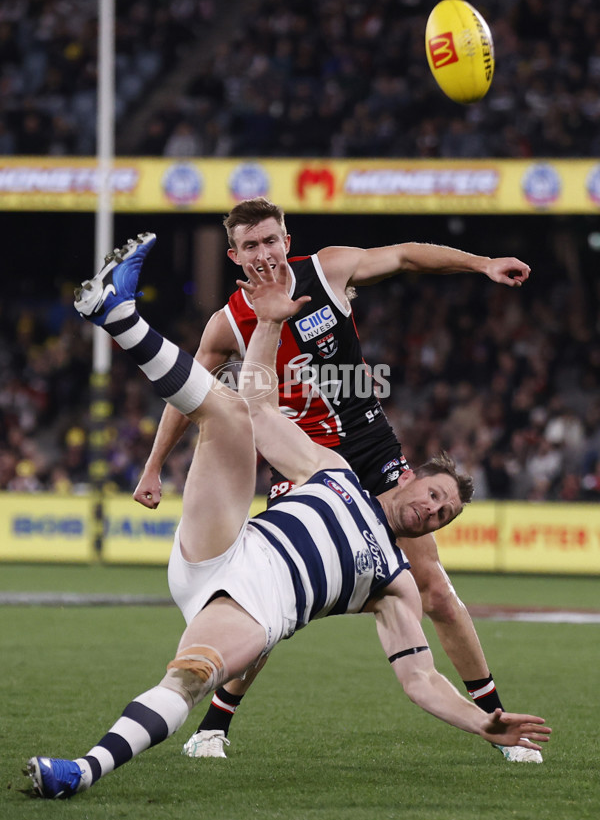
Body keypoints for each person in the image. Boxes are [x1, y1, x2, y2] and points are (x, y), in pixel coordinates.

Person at [27, 234, 550, 799]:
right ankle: (118, 314)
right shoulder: (330, 469)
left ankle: (81, 771)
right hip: (221, 549)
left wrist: (483, 722)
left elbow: (420, 680)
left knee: (189, 677)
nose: (433, 511)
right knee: (229, 415)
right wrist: (271, 323)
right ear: (410, 477)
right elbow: (255, 406)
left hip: (249, 607)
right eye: (435, 495)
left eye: (444, 515)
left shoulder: (394, 584)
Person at [133, 198, 538, 764]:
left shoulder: (327, 269)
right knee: (267, 599)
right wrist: (153, 466)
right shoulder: (227, 322)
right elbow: (189, 392)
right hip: (301, 458)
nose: (264, 253)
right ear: (234, 256)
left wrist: (481, 263)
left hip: (370, 448)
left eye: (271, 240)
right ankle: (216, 724)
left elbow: (404, 257)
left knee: (435, 590)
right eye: (250, 246)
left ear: (285, 238)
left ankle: (496, 719)